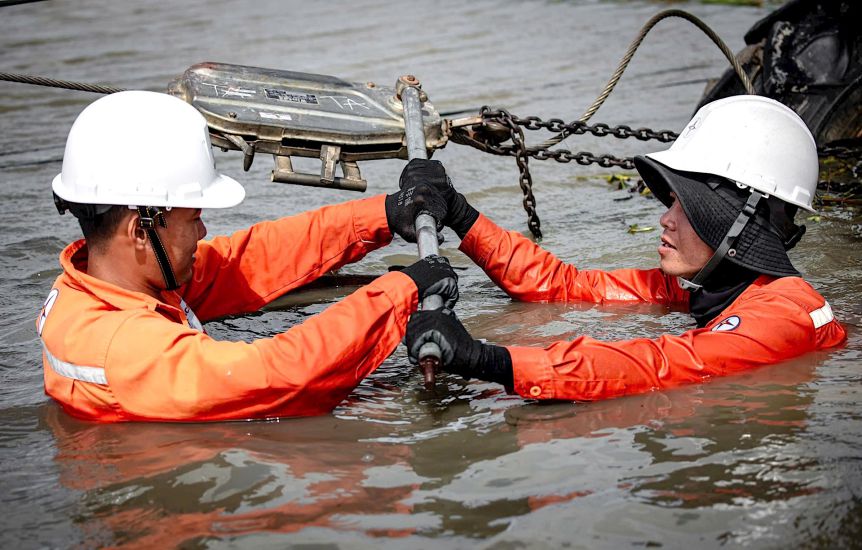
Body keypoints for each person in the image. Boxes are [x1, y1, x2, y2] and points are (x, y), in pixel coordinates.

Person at [38, 90, 457, 422]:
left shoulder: (106, 281)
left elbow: (248, 261)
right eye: (195, 218)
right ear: (139, 230)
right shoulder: (124, 347)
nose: (203, 231)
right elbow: (279, 375)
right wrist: (401, 292)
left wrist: (382, 214)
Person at [404, 95, 847, 401]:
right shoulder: (717, 284)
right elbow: (566, 285)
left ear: (739, 220)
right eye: (671, 202)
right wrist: (460, 213)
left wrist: (487, 360)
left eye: (687, 206)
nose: (665, 219)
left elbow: (658, 366)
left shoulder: (782, 317)